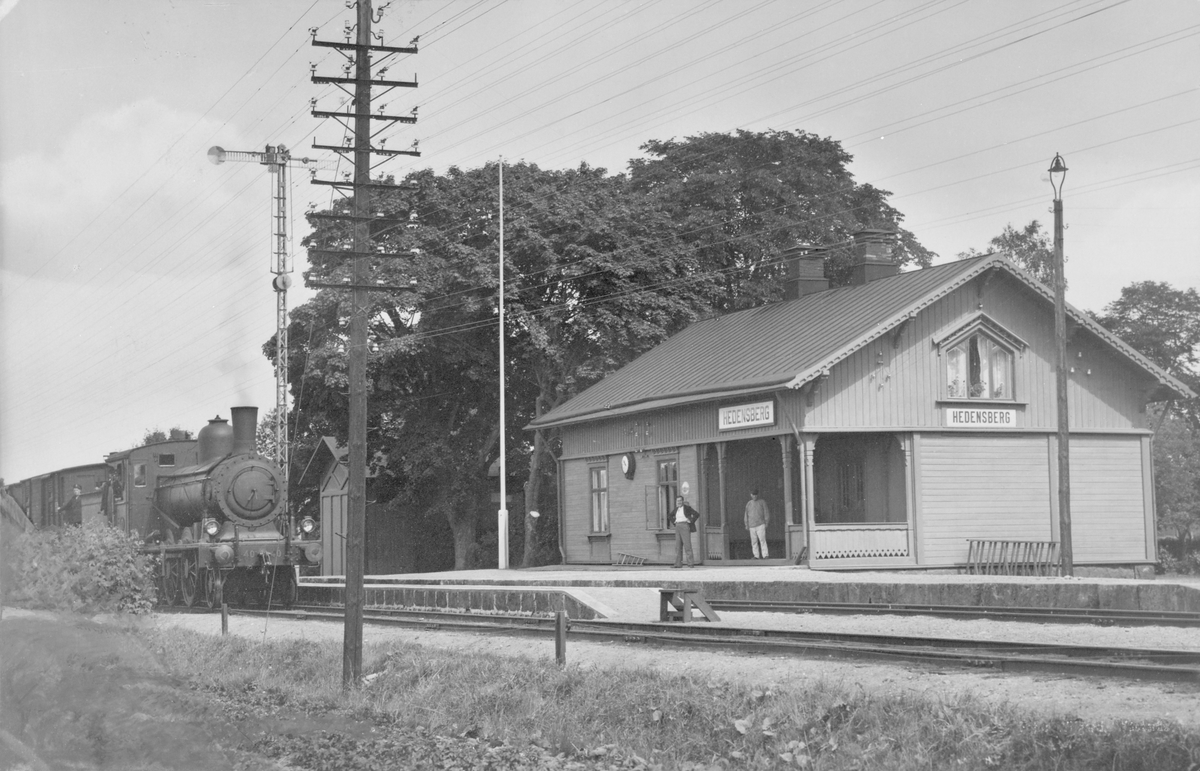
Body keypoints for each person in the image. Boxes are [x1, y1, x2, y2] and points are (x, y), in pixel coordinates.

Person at [671, 495, 700, 568]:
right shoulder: (676, 509)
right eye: (678, 501)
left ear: (683, 501)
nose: (679, 502)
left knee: (687, 545)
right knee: (678, 546)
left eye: (680, 501)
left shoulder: (687, 508)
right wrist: (674, 522)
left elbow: (696, 514)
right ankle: (678, 564)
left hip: (685, 526)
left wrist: (691, 520)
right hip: (677, 526)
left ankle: (690, 564)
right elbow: (669, 516)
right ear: (676, 502)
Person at [744, 489, 770, 559]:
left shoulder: (762, 502)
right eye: (753, 495)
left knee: (762, 540)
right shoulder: (749, 503)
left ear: (757, 495)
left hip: (761, 524)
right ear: (751, 495)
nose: (754, 496)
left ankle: (765, 555)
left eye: (755, 495)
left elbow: (766, 512)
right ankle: (756, 556)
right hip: (751, 525)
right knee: (754, 541)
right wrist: (746, 524)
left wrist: (766, 522)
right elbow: (746, 514)